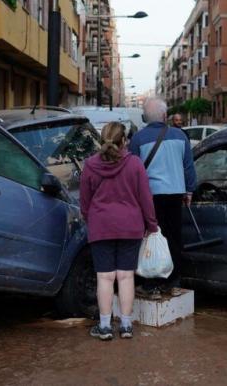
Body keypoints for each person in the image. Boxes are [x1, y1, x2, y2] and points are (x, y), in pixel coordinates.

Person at [80, 122, 159, 341]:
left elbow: (84, 201)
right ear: (124, 141)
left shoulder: (90, 165)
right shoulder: (134, 164)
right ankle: (126, 326)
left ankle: (105, 327)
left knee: (104, 277)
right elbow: (146, 198)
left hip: (101, 226)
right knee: (125, 277)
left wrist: (91, 218)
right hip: (130, 226)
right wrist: (151, 225)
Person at [129, 98, 196, 295]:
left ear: (145, 118)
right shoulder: (180, 136)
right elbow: (188, 167)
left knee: (151, 237)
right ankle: (174, 279)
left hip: (150, 196)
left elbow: (132, 170)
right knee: (174, 236)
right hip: (175, 193)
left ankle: (152, 281)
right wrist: (189, 190)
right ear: (165, 116)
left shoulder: (138, 139)